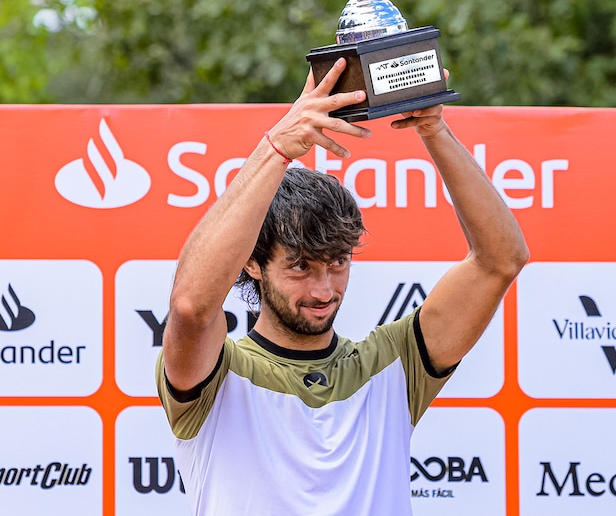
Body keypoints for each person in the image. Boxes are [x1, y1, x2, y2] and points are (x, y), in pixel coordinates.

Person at [156, 59, 529, 515]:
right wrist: (277, 148)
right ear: (251, 262)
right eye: (300, 267)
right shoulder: (216, 374)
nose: (323, 290)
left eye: (337, 263)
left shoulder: (393, 364)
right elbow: (191, 307)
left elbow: (500, 261)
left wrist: (435, 130)